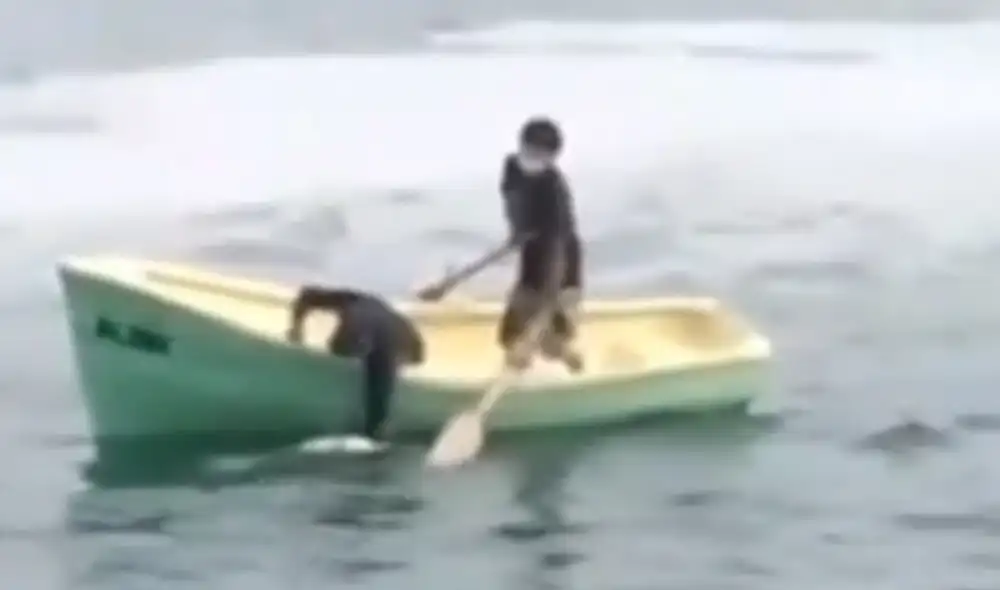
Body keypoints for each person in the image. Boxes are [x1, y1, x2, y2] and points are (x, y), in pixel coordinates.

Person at [498, 116, 585, 373]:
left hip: (560, 260)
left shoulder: (555, 191)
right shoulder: (512, 167)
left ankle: (569, 358)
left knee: (548, 336)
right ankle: (524, 357)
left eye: (541, 154)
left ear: (552, 158)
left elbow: (557, 252)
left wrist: (548, 306)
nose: (532, 157)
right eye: (529, 149)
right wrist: (516, 231)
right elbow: (511, 200)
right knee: (510, 335)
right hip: (531, 250)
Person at [285, 286, 425, 444]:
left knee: (373, 364)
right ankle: (376, 432)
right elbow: (418, 357)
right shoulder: (396, 321)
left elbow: (306, 295)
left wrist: (296, 327)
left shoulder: (354, 306)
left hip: (376, 330)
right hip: (389, 332)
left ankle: (375, 430)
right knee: (380, 384)